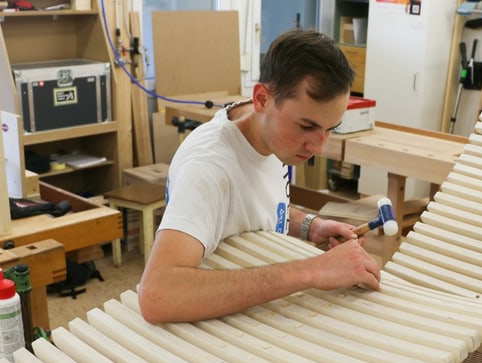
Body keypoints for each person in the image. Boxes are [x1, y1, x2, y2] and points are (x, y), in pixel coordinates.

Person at [138, 29, 381, 325]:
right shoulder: (208, 169)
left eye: (331, 129)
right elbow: (157, 295)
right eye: (306, 126)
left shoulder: (266, 133)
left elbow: (240, 204)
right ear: (262, 99)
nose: (318, 146)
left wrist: (309, 226)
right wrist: (313, 270)